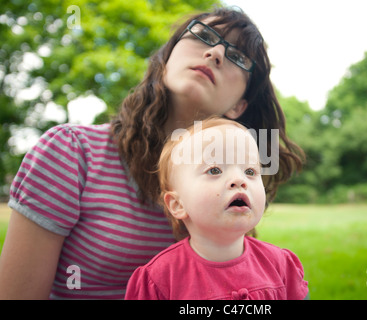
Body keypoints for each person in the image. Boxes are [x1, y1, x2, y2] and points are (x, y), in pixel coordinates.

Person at [0, 7, 305, 299]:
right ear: (166, 58)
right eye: (204, 36)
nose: (216, 53)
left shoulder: (235, 181)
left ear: (239, 105)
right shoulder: (71, 152)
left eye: (237, 56)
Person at [125, 117, 309, 300]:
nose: (239, 180)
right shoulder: (159, 279)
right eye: (214, 170)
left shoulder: (280, 265)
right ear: (178, 204)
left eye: (250, 171)